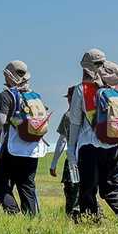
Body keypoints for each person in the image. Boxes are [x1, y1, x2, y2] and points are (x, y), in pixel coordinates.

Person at [66, 49, 118, 234]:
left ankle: (92, 229)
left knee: (88, 190)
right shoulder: (117, 90)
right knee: (113, 190)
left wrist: (71, 150)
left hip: (89, 148)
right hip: (115, 145)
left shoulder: (81, 90)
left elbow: (74, 123)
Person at [0, 61, 48, 215]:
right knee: (27, 186)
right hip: (33, 149)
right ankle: (31, 222)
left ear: (9, 76)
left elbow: (1, 120)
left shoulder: (7, 95)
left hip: (13, 148)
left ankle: (12, 212)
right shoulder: (35, 96)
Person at [50, 87, 80, 219]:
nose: (68, 100)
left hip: (73, 160)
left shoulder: (68, 116)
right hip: (89, 158)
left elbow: (62, 140)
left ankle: (72, 218)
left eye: (69, 98)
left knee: (71, 190)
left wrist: (54, 163)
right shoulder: (89, 114)